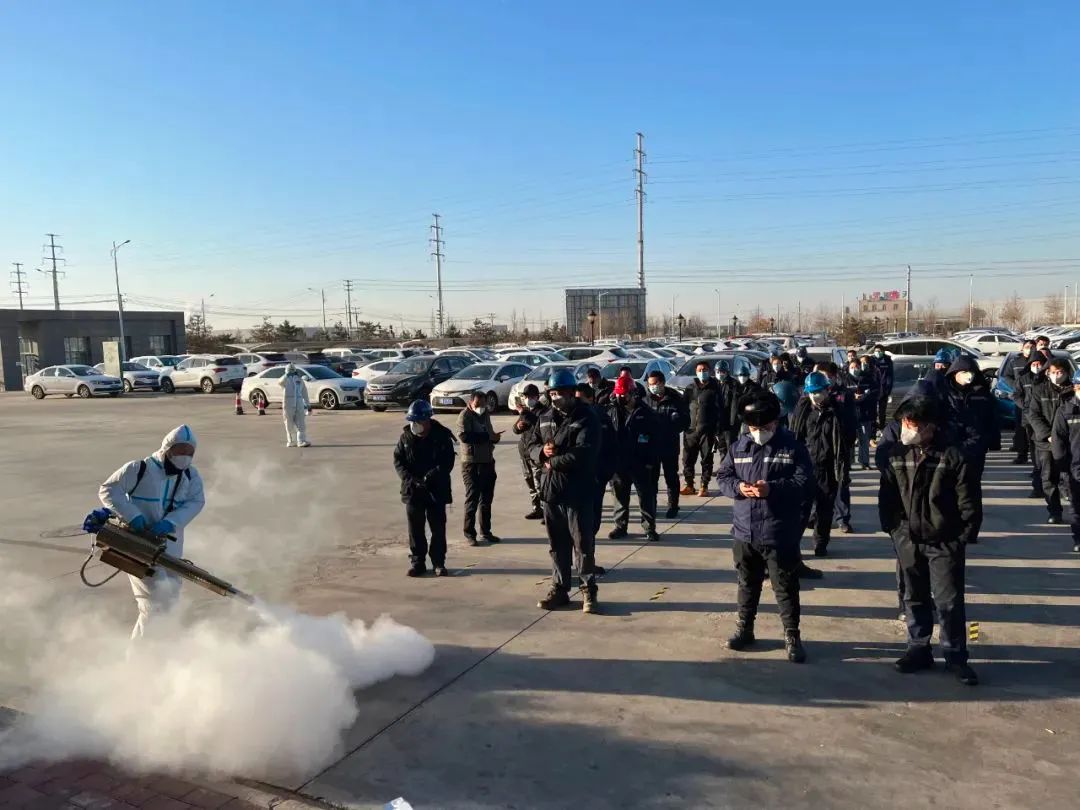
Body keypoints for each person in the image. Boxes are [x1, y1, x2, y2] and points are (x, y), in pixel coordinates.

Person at [879, 396, 981, 686]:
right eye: (903, 422)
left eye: (911, 423)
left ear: (929, 426)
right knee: (913, 596)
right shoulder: (896, 454)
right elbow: (888, 496)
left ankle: (956, 656)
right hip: (907, 538)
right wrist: (895, 530)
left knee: (949, 600)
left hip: (944, 541)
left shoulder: (953, 456)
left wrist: (961, 537)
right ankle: (918, 648)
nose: (906, 428)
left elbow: (969, 502)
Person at [717, 391, 813, 663]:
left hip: (778, 531)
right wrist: (739, 488)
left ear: (775, 422)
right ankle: (745, 628)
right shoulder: (739, 447)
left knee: (785, 586)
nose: (758, 432)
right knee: (747, 584)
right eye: (753, 427)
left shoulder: (792, 447)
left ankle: (792, 636)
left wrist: (772, 489)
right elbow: (723, 476)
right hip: (745, 531)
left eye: (764, 427)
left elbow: (804, 482)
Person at [99, 425, 206, 639]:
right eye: (180, 450)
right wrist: (133, 516)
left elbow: (196, 501)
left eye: (189, 453)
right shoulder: (139, 469)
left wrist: (171, 522)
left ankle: (160, 647)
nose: (184, 457)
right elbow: (109, 490)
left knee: (170, 600)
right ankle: (141, 654)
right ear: (168, 449)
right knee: (154, 603)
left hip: (171, 549)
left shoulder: (191, 476)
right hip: (138, 547)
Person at [528, 369, 602, 613]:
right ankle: (560, 589)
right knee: (557, 545)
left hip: (578, 492)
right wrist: (541, 453)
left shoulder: (586, 417)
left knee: (583, 545)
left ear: (571, 393)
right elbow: (530, 445)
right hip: (552, 492)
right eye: (552, 394)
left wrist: (553, 462)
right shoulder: (545, 417)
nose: (555, 398)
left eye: (559, 393)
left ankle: (588, 591)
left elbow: (585, 453)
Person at [790, 371, 854, 561]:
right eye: (811, 392)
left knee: (824, 510)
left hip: (828, 468)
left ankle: (820, 543)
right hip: (805, 467)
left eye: (818, 391)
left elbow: (849, 436)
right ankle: (792, 546)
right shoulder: (803, 410)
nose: (815, 395)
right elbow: (795, 437)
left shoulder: (838, 411)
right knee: (800, 509)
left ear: (827, 390)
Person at [394, 400, 456, 577]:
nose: (414, 425)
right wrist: (410, 478)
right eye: (412, 421)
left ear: (427, 420)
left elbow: (447, 462)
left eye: (417, 421)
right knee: (415, 529)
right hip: (413, 490)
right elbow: (398, 461)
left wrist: (432, 475)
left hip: (435, 490)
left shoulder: (442, 436)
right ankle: (417, 562)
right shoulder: (406, 437)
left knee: (438, 528)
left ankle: (438, 562)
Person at [607, 374, 661, 542]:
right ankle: (620, 526)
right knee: (619, 496)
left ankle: (649, 528)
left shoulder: (646, 413)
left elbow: (655, 440)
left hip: (641, 462)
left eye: (624, 394)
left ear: (632, 394)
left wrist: (650, 462)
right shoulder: (611, 411)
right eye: (618, 394)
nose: (621, 398)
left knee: (646, 496)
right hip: (619, 463)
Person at [942, 354, 1000, 489]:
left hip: (977, 445)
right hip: (951, 445)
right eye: (964, 372)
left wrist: (993, 441)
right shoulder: (945, 392)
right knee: (949, 483)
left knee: (972, 482)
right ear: (955, 373)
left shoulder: (983, 394)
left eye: (971, 372)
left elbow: (993, 419)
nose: (969, 375)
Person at [1028, 358, 1073, 524]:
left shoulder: (1074, 390)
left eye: (1060, 372)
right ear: (1047, 373)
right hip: (1046, 442)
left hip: (1070, 441)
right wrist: (1047, 434)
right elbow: (1033, 414)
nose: (1056, 375)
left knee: (1071, 476)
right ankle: (1054, 511)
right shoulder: (1040, 390)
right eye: (1053, 372)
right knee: (1048, 477)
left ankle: (1075, 507)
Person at [456, 390, 502, 544]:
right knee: (472, 498)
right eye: (477, 404)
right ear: (470, 402)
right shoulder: (465, 416)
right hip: (471, 464)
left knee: (486, 500)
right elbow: (464, 437)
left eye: (483, 404)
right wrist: (487, 437)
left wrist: (494, 438)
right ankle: (469, 533)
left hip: (487, 461)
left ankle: (486, 531)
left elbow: (489, 433)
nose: (481, 407)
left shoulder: (486, 414)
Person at [645, 369, 691, 517]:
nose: (652, 387)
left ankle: (673, 506)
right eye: (650, 384)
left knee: (671, 477)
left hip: (669, 445)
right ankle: (652, 506)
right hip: (652, 447)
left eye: (655, 383)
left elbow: (686, 421)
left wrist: (675, 423)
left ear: (662, 383)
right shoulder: (646, 399)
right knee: (651, 479)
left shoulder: (675, 398)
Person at [1051, 368, 1080, 553]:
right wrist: (1063, 467)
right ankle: (1079, 538)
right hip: (1074, 467)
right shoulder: (1066, 410)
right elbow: (1058, 440)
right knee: (1077, 507)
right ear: (1076, 387)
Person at [681, 360, 719, 497]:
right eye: (700, 370)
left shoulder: (715, 388)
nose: (702, 372)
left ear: (709, 371)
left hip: (707, 431)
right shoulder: (690, 388)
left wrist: (717, 428)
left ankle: (704, 485)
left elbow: (720, 408)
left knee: (706, 459)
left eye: (705, 370)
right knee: (687, 459)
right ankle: (689, 485)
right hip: (691, 431)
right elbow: (683, 407)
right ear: (696, 372)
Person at [1015, 353, 1048, 498]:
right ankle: (1038, 488)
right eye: (1034, 364)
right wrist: (1026, 407)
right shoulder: (1023, 378)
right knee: (1036, 457)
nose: (1037, 366)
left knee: (1048, 457)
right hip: (1029, 421)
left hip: (1047, 421)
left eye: (1039, 363)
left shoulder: (1048, 378)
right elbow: (1016, 395)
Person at [513, 384, 546, 520]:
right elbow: (515, 429)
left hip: (536, 453)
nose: (528, 399)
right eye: (526, 397)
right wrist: (518, 426)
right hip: (524, 452)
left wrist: (524, 414)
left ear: (537, 397)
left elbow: (538, 424)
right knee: (530, 481)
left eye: (531, 397)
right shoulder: (526, 411)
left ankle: (545, 511)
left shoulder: (543, 411)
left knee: (540, 483)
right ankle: (536, 508)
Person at [1005, 340, 1035, 463]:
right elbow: (1007, 376)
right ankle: (1022, 455)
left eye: (1032, 347)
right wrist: (1016, 386)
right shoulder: (1015, 361)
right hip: (1021, 400)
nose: (1030, 349)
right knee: (1021, 429)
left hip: (1036, 399)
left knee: (1035, 430)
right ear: (1022, 348)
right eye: (1027, 347)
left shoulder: (1038, 361)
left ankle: (1036, 458)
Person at [848, 358, 879, 471]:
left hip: (864, 414)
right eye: (851, 367)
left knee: (864, 440)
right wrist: (853, 397)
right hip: (850, 415)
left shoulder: (868, 379)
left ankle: (864, 462)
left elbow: (875, 393)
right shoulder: (845, 380)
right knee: (849, 440)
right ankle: (848, 463)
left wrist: (864, 396)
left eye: (856, 367)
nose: (854, 369)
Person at [713, 360, 739, 465]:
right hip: (718, 421)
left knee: (731, 445)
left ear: (727, 372)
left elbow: (735, 404)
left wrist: (733, 422)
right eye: (718, 372)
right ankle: (724, 467)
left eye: (722, 372)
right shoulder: (713, 383)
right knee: (721, 446)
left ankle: (733, 467)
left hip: (729, 421)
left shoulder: (733, 384)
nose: (720, 374)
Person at [279, 363, 311, 447]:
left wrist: (308, 405)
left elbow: (304, 393)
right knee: (289, 423)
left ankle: (301, 441)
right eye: (290, 370)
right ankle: (291, 441)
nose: (291, 372)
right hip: (288, 403)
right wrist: (286, 375)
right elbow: (280, 382)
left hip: (299, 403)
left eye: (292, 370)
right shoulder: (285, 380)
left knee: (301, 423)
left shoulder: (299, 380)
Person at [870, 345, 894, 430]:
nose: (878, 352)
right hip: (873, 389)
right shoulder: (871, 360)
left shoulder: (887, 360)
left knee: (882, 411)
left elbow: (890, 376)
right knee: (872, 410)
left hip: (884, 389)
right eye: (876, 351)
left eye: (879, 351)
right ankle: (873, 427)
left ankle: (882, 426)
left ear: (883, 352)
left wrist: (888, 389)